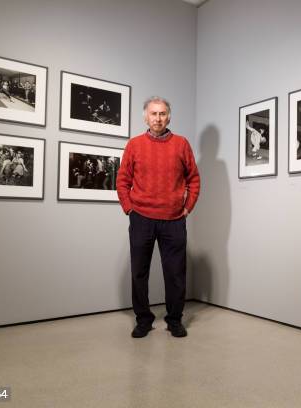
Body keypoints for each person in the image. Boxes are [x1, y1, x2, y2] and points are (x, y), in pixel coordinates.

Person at [117, 96, 200, 339]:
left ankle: (174, 320)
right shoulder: (134, 145)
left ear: (169, 117)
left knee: (175, 273)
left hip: (174, 219)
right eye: (153, 113)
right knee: (139, 272)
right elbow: (122, 180)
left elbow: (194, 178)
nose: (158, 118)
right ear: (145, 117)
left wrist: (188, 206)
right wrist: (129, 207)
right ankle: (143, 320)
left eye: (162, 113)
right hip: (141, 217)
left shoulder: (182, 144)